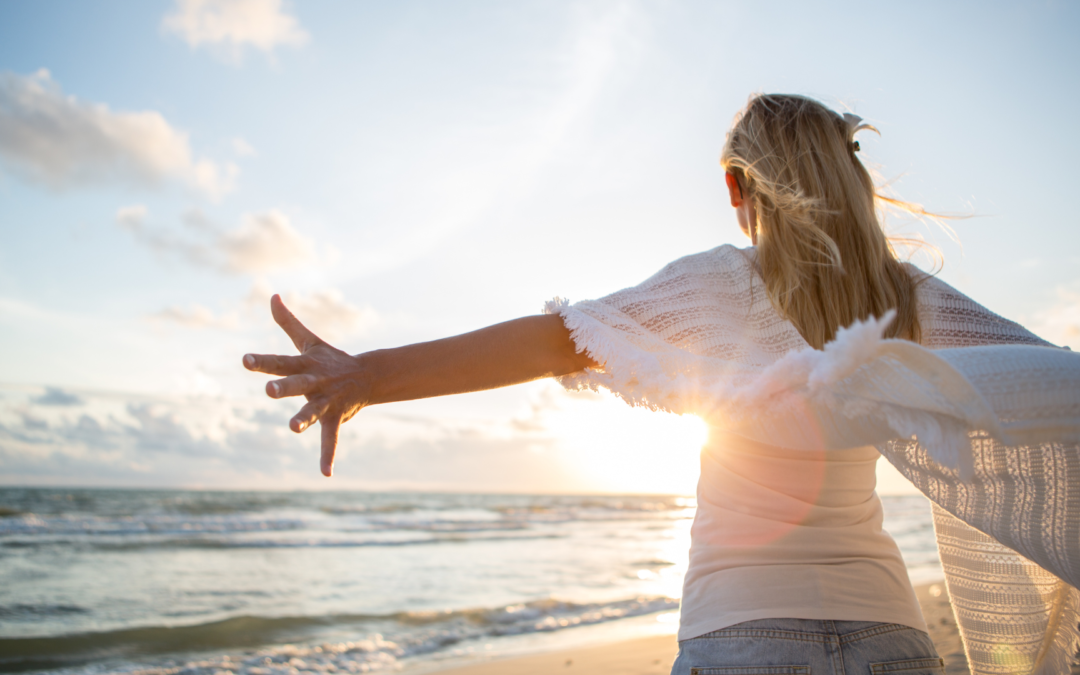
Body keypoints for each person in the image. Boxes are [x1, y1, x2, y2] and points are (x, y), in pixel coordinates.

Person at [244, 94, 1080, 675]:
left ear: (736, 188)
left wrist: (368, 376)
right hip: (893, 643)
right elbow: (1052, 388)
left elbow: (555, 341)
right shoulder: (907, 299)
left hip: (742, 638)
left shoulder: (716, 286)